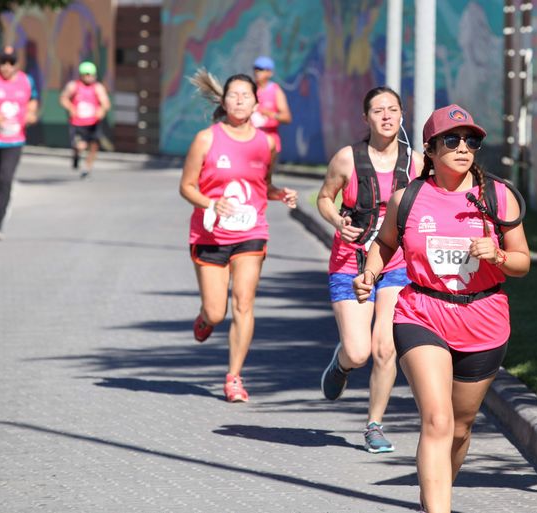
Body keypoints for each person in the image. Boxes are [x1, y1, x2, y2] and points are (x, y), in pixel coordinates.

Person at [353, 104, 530, 512]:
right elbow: (384, 243)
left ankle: (435, 494)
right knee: (437, 420)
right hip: (422, 314)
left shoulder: (498, 197)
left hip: (484, 320)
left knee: (460, 426)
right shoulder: (409, 198)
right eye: (452, 140)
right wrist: (371, 272)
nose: (463, 147)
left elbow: (523, 262)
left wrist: (498, 255)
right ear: (430, 150)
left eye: (472, 140)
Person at [179, 70, 298, 403]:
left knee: (244, 303)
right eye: (233, 94)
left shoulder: (266, 143)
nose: (240, 100)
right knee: (217, 312)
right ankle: (205, 319)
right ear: (223, 100)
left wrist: (279, 194)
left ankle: (234, 377)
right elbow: (186, 186)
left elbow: (262, 185)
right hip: (210, 233)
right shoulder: (207, 139)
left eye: (247, 95)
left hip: (251, 232)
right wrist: (210, 202)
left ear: (257, 102)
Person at [317, 86, 423, 453]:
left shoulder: (417, 164)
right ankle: (342, 363)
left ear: (402, 116)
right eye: (378, 110)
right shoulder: (347, 159)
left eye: (393, 109)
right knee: (359, 351)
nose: (386, 116)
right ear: (366, 118)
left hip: (395, 265)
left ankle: (374, 425)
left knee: (384, 348)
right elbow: (324, 197)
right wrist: (336, 220)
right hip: (350, 263)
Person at [0, 46, 38, 241]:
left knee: (5, 179)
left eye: (11, 62)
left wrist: (31, 112)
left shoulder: (26, 81)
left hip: (13, 141)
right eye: (3, 62)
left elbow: (33, 100)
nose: (6, 66)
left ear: (16, 64)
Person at [59, 61, 111, 179]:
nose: (89, 77)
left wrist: (102, 110)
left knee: (94, 145)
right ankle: (76, 155)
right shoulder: (74, 86)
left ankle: (87, 167)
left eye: (92, 74)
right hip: (78, 123)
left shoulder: (98, 87)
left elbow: (105, 103)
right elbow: (63, 98)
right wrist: (71, 108)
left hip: (93, 123)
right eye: (87, 74)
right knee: (80, 145)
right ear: (82, 75)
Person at [251, 56, 291, 166]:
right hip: (250, 141)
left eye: (261, 69)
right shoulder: (250, 89)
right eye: (256, 69)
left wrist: (269, 114)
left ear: (270, 73)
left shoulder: (275, 91)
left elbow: (287, 117)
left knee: (265, 180)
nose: (257, 72)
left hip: (270, 143)